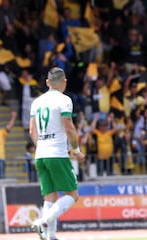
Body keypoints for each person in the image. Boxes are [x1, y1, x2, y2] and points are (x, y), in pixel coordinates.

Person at [29, 67, 85, 240]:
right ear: (65, 82)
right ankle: (43, 222)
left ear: (47, 83)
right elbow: (69, 126)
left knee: (50, 196)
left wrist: (42, 147)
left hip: (41, 154)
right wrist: (76, 150)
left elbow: (32, 131)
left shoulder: (36, 102)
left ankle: (50, 235)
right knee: (73, 195)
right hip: (57, 153)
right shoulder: (64, 100)